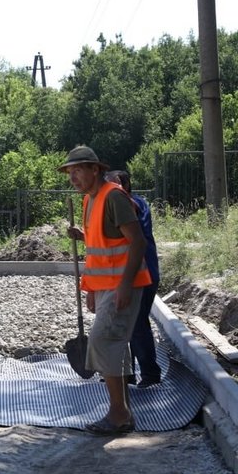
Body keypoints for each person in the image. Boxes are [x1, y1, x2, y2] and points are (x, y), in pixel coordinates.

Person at [58, 146, 152, 435]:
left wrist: (125, 285)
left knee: (102, 341)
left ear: (94, 169)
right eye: (70, 172)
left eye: (78, 171)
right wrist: (90, 289)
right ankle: (121, 412)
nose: (73, 177)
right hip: (106, 287)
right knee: (114, 345)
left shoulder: (113, 196)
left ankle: (118, 415)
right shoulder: (90, 199)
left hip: (122, 285)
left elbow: (137, 242)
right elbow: (101, 248)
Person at [104, 170, 162, 389]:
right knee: (122, 322)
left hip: (143, 273)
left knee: (137, 323)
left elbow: (128, 234)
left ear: (123, 185)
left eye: (112, 186)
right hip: (127, 274)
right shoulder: (117, 206)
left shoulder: (134, 204)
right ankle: (126, 373)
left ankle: (150, 374)